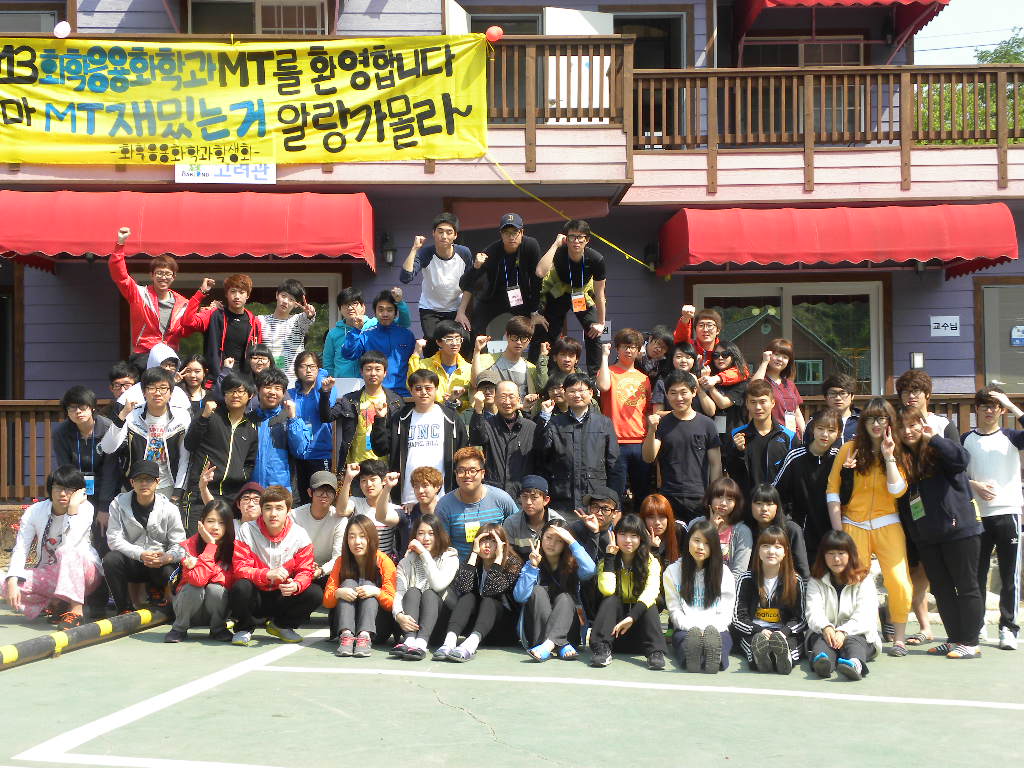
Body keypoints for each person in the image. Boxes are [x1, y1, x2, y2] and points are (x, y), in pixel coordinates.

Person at [895, 405, 984, 660]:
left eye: (913, 425)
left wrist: (933, 437)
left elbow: (961, 460)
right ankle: (954, 638)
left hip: (960, 529)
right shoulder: (903, 460)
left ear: (922, 425)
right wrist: (917, 536)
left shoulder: (938, 448)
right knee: (942, 589)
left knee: (966, 586)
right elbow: (905, 503)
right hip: (928, 537)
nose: (908, 431)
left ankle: (971, 642)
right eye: (902, 427)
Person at [826, 397, 912, 656]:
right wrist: (838, 530)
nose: (876, 424)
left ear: (890, 422)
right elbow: (832, 490)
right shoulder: (848, 449)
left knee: (899, 581)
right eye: (871, 419)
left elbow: (898, 490)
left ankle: (899, 638)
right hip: (853, 524)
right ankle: (860, 634)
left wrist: (888, 456)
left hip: (888, 523)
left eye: (882, 419)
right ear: (863, 422)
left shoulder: (899, 450)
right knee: (854, 581)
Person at [962, 386, 1023, 650]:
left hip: (1008, 513)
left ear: (1001, 410)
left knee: (1010, 575)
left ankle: (1008, 628)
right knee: (976, 573)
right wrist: (973, 484)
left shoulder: (1012, 437)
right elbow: (954, 472)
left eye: (995, 406)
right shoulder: (966, 439)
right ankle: (977, 624)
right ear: (977, 408)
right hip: (977, 516)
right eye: (985, 405)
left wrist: (1011, 405)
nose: (990, 410)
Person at [4, 466, 101, 629]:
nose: (63, 494)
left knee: (66, 550)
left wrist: (72, 509)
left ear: (79, 492)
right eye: (58, 488)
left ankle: (75, 611)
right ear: (50, 489)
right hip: (51, 574)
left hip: (86, 574)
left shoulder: (85, 508)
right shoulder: (35, 511)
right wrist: (12, 580)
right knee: (4, 582)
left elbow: (72, 544)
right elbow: (21, 547)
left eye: (69, 489)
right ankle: (55, 602)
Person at [229, 485, 324, 646]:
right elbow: (240, 568)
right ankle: (244, 628)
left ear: (288, 511)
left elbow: (305, 570)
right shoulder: (247, 530)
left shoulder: (299, 534)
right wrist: (266, 574)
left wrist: (296, 585)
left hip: (282, 595)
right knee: (241, 586)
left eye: (279, 508)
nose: (273, 514)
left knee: (315, 593)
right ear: (261, 510)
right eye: (268, 508)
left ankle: (281, 625)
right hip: (256, 595)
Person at [373, 369, 469, 506]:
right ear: (411, 391)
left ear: (436, 389)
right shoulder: (400, 418)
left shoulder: (451, 418)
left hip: (444, 497)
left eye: (428, 388)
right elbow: (381, 449)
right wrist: (380, 419)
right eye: (418, 388)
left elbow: (462, 454)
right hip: (407, 497)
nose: (423, 392)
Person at [103, 460, 186, 613]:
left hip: (159, 563)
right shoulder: (117, 504)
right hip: (133, 560)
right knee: (110, 560)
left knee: (173, 570)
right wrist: (140, 554)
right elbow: (114, 539)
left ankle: (168, 602)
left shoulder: (170, 509)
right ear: (132, 482)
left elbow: (180, 546)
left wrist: (166, 557)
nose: (144, 484)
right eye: (139, 479)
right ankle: (124, 608)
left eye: (149, 479)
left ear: (157, 482)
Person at [435, 523, 524, 662]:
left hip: (503, 630)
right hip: (476, 627)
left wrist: (498, 559)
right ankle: (449, 642)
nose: (487, 545)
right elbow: (462, 589)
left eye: (493, 541)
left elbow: (491, 591)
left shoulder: (513, 563)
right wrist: (474, 554)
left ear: (502, 544)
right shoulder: (474, 560)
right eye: (483, 540)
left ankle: (470, 647)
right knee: (468, 597)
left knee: (489, 600)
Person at [102, 365, 191, 502]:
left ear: (171, 392)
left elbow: (185, 458)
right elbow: (108, 448)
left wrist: (178, 491)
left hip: (168, 486)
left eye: (163, 388)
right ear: (144, 392)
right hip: (135, 486)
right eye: (152, 388)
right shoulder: (132, 415)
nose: (157, 393)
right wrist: (122, 415)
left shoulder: (182, 417)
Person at [642, 369, 722, 523]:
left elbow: (716, 464)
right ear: (667, 395)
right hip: (669, 496)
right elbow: (648, 457)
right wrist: (651, 431)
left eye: (683, 392)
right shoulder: (662, 424)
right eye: (673, 393)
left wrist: (714, 496)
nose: (679, 398)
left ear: (694, 392)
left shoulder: (707, 424)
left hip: (700, 496)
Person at [589, 513, 666, 670]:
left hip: (640, 633)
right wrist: (610, 558)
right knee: (611, 599)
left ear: (641, 538)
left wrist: (632, 617)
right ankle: (602, 649)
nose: (628, 540)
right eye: (623, 534)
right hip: (614, 632)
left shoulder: (651, 562)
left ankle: (655, 652)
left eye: (634, 535)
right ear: (615, 536)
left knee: (649, 603)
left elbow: (651, 591)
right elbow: (607, 590)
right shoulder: (606, 561)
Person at [181, 373, 258, 530]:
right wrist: (203, 417)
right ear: (224, 394)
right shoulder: (210, 415)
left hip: (232, 496)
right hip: (201, 491)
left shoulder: (251, 427)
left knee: (225, 542)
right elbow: (190, 444)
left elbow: (250, 462)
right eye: (230, 391)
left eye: (240, 391)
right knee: (195, 539)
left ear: (250, 395)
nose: (235, 395)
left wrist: (240, 475)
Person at [514, 519, 596, 661]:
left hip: (568, 631)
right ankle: (557, 644)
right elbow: (520, 596)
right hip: (537, 632)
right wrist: (533, 567)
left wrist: (572, 541)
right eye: (548, 537)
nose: (551, 544)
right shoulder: (532, 562)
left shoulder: (573, 565)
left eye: (559, 541)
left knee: (565, 597)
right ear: (541, 537)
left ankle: (548, 645)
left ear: (565, 544)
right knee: (538, 591)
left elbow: (590, 570)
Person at [107, 226, 190, 367]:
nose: (163, 277)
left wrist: (209, 309)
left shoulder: (183, 303)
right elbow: (120, 276)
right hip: (144, 355)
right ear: (152, 275)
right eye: (159, 273)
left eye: (167, 274)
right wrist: (120, 244)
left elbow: (192, 324)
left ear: (173, 277)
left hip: (170, 356)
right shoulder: (139, 294)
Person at [533, 220, 607, 376]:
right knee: (547, 330)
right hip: (558, 292)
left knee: (594, 331)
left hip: (581, 294)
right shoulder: (559, 252)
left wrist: (601, 323)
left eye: (581, 237)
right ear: (566, 239)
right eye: (572, 237)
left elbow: (600, 294)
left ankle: (594, 376)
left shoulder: (596, 259)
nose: (576, 241)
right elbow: (540, 272)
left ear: (587, 240)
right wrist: (555, 244)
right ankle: (548, 373)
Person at [458, 212, 546, 343]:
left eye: (515, 232)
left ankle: (534, 355)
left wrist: (534, 311)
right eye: (506, 233)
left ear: (522, 232)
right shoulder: (491, 251)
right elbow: (464, 283)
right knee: (476, 327)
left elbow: (536, 280)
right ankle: (477, 353)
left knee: (539, 324)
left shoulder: (530, 246)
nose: (511, 237)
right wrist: (475, 267)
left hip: (521, 298)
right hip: (494, 298)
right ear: (501, 234)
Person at [538, 373, 619, 514]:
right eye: (572, 391)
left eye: (581, 390)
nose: (577, 395)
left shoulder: (603, 423)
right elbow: (541, 451)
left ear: (591, 393)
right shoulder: (555, 423)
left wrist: (614, 502)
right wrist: (544, 417)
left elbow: (613, 463)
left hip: (595, 499)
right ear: (565, 394)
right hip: (562, 498)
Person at [805, 530, 881, 680]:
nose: (836, 559)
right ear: (823, 556)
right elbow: (813, 611)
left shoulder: (864, 580)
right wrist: (826, 627)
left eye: (841, 553)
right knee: (821, 641)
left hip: (858, 635)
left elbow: (865, 615)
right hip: (827, 634)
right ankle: (822, 662)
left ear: (851, 555)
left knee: (853, 642)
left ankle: (855, 664)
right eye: (830, 553)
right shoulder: (816, 580)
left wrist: (843, 631)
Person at [664, 519, 736, 673]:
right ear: (688, 541)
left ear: (714, 546)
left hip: (717, 630)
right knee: (683, 641)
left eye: (707, 543)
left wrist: (709, 630)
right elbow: (675, 610)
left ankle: (713, 660)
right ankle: (694, 659)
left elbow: (726, 613)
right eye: (696, 540)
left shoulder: (725, 573)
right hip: (686, 629)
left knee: (722, 641)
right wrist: (694, 629)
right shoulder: (672, 571)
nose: (700, 547)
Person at [733, 526, 806, 674]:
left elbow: (800, 618)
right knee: (754, 644)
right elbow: (738, 618)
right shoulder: (745, 579)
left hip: (784, 633)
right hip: (755, 632)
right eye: (766, 546)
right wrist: (759, 630)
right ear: (758, 550)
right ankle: (762, 658)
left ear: (785, 552)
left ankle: (780, 657)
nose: (771, 551)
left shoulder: (795, 580)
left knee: (791, 645)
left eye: (777, 547)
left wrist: (783, 632)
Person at [323, 514, 398, 656]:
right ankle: (346, 635)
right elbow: (327, 601)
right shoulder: (341, 561)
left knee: (369, 584)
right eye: (352, 537)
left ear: (371, 538)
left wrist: (376, 592)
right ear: (346, 540)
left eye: (362, 536)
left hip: (376, 627)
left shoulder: (384, 561)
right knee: (348, 583)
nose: (357, 541)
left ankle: (364, 636)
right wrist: (338, 593)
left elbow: (392, 603)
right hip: (344, 623)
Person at [773, 408, 841, 563]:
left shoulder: (839, 458)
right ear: (812, 429)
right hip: (801, 533)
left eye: (831, 430)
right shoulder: (795, 457)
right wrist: (787, 523)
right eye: (820, 428)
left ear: (838, 434)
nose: (825, 434)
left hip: (832, 532)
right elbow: (776, 493)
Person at [401, 212, 473, 357]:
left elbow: (470, 284)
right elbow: (405, 277)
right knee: (433, 340)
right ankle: (431, 371)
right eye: (440, 232)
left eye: (449, 232)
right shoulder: (425, 253)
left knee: (464, 340)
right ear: (433, 233)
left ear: (455, 235)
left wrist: (461, 311)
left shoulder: (464, 253)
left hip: (456, 307)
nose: (444, 236)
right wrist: (414, 249)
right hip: (430, 308)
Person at [52, 385, 120, 537]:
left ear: (92, 407)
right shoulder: (61, 433)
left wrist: (104, 507)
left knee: (103, 535)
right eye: (72, 408)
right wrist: (73, 501)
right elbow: (66, 469)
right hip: (76, 489)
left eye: (82, 407)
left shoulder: (109, 429)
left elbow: (111, 471)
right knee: (75, 534)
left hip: (106, 489)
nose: (78, 412)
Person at [166, 498, 237, 643]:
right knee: (193, 588)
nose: (215, 527)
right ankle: (179, 629)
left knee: (216, 589)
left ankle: (218, 629)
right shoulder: (188, 545)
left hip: (217, 611)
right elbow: (197, 580)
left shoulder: (234, 547)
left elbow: (227, 581)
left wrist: (201, 564)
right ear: (201, 522)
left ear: (229, 525)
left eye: (221, 522)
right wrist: (211, 546)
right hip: (188, 610)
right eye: (210, 521)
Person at [391, 513, 460, 660]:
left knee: (429, 593)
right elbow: (399, 592)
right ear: (415, 536)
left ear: (439, 535)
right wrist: (398, 615)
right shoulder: (405, 562)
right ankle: (409, 641)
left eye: (431, 533)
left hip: (439, 626)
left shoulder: (450, 558)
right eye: (421, 533)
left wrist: (423, 553)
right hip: (412, 625)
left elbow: (437, 585)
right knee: (412, 591)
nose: (426, 538)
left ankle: (421, 644)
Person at [320, 350, 404, 466]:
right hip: (355, 466)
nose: (373, 373)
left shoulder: (395, 401)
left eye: (378, 369)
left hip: (384, 466)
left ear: (385, 373)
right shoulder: (350, 399)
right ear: (361, 372)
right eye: (368, 369)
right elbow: (326, 417)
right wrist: (325, 392)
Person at [434, 447, 519, 561]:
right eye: (461, 470)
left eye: (473, 470)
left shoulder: (501, 499)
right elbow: (442, 546)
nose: (467, 475)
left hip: (496, 566)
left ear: (482, 473)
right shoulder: (444, 505)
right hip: (460, 568)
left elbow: (518, 528)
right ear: (456, 474)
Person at [598, 329, 652, 504]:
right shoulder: (608, 372)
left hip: (640, 441)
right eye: (624, 346)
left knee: (642, 492)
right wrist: (604, 356)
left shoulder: (644, 378)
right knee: (615, 494)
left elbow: (648, 410)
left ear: (638, 350)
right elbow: (603, 387)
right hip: (615, 441)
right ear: (617, 348)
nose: (629, 350)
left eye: (633, 347)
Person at [724, 379, 797, 500]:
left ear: (773, 402)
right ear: (746, 404)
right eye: (753, 402)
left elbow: (794, 477)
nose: (758, 407)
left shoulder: (788, 437)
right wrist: (738, 452)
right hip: (747, 504)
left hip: (778, 505)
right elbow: (733, 473)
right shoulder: (737, 435)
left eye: (763, 402)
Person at [180, 274, 264, 375]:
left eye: (241, 292)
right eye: (233, 291)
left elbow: (257, 353)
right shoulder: (214, 314)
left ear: (247, 295)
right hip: (216, 378)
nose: (237, 296)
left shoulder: (254, 322)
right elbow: (187, 322)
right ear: (226, 294)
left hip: (245, 379)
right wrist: (201, 292)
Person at [322, 287, 412, 380]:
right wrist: (332, 382)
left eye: (354, 303)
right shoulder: (333, 334)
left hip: (371, 381)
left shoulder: (375, 324)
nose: (350, 308)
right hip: (342, 382)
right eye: (345, 304)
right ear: (340, 309)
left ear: (363, 307)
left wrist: (400, 302)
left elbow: (404, 323)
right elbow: (328, 362)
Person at [469, 380, 539, 498]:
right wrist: (478, 410)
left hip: (522, 496)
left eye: (511, 397)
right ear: (495, 399)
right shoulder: (487, 425)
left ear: (519, 399)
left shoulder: (530, 427)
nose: (507, 401)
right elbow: (476, 438)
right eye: (502, 397)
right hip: (493, 494)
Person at [341, 289, 417, 397]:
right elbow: (348, 354)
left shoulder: (407, 335)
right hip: (373, 394)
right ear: (375, 312)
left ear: (395, 313)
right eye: (380, 310)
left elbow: (413, 363)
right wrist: (356, 330)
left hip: (403, 394)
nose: (385, 314)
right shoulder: (366, 335)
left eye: (389, 310)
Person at [250, 368, 310, 492]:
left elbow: (300, 450)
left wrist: (293, 418)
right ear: (258, 390)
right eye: (267, 387)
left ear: (283, 393)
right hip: (251, 492)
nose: (272, 392)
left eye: (277, 388)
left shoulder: (290, 419)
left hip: (280, 493)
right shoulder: (249, 420)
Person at [288, 351, 334, 504]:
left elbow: (325, 412)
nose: (308, 370)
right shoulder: (291, 394)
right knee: (302, 499)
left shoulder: (327, 389)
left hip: (321, 453)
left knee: (322, 497)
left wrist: (322, 384)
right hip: (298, 455)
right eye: (303, 366)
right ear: (296, 370)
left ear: (319, 369)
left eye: (312, 366)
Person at [290, 471, 346, 589]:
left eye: (329, 491)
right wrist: (304, 566)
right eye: (320, 490)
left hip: (327, 572)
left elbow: (338, 556)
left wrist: (321, 570)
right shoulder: (295, 516)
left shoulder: (340, 519)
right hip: (298, 569)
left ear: (335, 494)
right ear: (310, 492)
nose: (324, 495)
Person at [336, 461, 403, 560]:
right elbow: (341, 511)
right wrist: (348, 479)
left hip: (383, 564)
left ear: (384, 481)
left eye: (373, 479)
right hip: (358, 562)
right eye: (363, 480)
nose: (368, 484)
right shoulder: (355, 502)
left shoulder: (395, 509)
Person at [258, 278, 316, 387]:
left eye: (291, 299)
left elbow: (307, 319)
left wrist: (310, 314)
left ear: (296, 304)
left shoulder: (297, 320)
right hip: (267, 380)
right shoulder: (261, 320)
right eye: (283, 296)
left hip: (293, 382)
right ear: (277, 295)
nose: (285, 301)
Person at [747, 484, 810, 579]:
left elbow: (803, 571)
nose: (764, 509)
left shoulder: (791, 529)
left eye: (769, 504)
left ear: (777, 506)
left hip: (786, 584)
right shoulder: (745, 530)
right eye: (759, 503)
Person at [406, 321, 473, 411]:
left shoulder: (468, 369)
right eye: (449, 339)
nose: (454, 343)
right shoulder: (425, 365)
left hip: (458, 417)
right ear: (439, 342)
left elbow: (472, 402)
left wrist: (459, 403)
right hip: (430, 414)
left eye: (458, 339)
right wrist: (416, 352)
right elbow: (411, 384)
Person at [471, 318, 542, 402]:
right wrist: (477, 351)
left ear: (529, 340)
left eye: (523, 338)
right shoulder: (486, 360)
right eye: (514, 337)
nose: (519, 342)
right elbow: (475, 384)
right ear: (507, 336)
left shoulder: (531, 369)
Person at [696, 477, 753, 577]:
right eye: (719, 497)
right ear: (710, 498)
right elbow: (691, 560)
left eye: (729, 499)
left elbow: (739, 572)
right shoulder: (696, 524)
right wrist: (710, 530)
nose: (723, 503)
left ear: (736, 503)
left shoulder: (742, 531)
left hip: (728, 585)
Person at [673, 307, 745, 385]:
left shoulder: (724, 348)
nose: (705, 329)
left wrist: (717, 378)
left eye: (709, 325)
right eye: (701, 325)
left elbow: (743, 371)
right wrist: (685, 319)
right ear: (695, 329)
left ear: (717, 330)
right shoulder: (690, 346)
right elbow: (680, 338)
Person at [751, 338, 805, 440]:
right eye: (776, 355)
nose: (780, 359)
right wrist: (764, 362)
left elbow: (797, 412)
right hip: (771, 437)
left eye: (785, 357)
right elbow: (754, 387)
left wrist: (805, 435)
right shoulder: (762, 380)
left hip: (793, 437)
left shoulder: (789, 384)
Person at [117, 344, 193, 414]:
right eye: (165, 365)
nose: (168, 369)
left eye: (172, 365)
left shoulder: (179, 394)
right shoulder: (132, 394)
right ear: (153, 364)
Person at [503, 475, 565, 560]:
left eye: (534, 498)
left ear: (546, 500)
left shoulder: (559, 523)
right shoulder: (511, 523)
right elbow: (509, 555)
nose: (528, 502)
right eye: (524, 497)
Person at [652, 341, 715, 418]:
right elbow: (657, 413)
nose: (684, 361)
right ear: (672, 359)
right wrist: (683, 413)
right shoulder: (662, 382)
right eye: (679, 357)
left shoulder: (701, 379)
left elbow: (711, 412)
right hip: (673, 425)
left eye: (688, 357)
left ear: (694, 360)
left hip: (698, 425)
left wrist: (698, 387)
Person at [701, 341, 750, 439]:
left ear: (733, 356)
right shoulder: (709, 375)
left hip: (734, 434)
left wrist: (710, 385)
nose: (720, 358)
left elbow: (723, 403)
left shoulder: (741, 380)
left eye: (725, 354)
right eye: (716, 355)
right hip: (710, 433)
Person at [397, 465, 444, 555]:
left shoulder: (446, 512)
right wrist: (388, 487)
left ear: (437, 487)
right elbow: (382, 517)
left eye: (425, 485)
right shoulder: (408, 511)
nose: (420, 490)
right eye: (416, 486)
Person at [804, 373, 860, 446]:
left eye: (843, 393)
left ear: (852, 396)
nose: (838, 398)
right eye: (832, 393)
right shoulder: (815, 421)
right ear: (825, 397)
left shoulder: (862, 421)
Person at [638, 493, 681, 573]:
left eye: (662, 517)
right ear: (643, 519)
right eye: (651, 517)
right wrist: (653, 549)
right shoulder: (637, 537)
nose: (657, 522)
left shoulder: (679, 531)